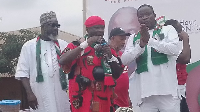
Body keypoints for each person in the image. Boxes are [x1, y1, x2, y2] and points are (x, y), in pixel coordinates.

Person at [121, 4, 182, 112]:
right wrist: (140, 45)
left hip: (167, 92)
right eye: (141, 16)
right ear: (138, 19)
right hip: (145, 94)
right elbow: (124, 60)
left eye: (147, 14)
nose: (144, 17)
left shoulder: (167, 30)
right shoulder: (134, 37)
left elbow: (175, 49)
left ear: (154, 15)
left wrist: (151, 41)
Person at [59, 16, 123, 112]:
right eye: (96, 28)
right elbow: (62, 60)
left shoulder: (107, 48)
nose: (100, 31)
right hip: (82, 98)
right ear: (87, 29)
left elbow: (117, 74)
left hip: (103, 99)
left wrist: (110, 56)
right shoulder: (76, 45)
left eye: (102, 28)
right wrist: (86, 44)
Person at [15, 11, 70, 112]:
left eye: (57, 26)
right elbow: (23, 73)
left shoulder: (64, 45)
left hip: (61, 93)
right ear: (42, 27)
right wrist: (29, 94)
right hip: (39, 94)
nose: (55, 29)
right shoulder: (29, 46)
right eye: (52, 25)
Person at [164, 19, 191, 112]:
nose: (182, 32)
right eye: (180, 30)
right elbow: (186, 58)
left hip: (180, 91)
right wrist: (186, 39)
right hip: (171, 93)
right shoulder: (165, 45)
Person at [108, 27, 131, 110]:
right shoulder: (106, 54)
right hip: (111, 102)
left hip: (124, 102)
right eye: (121, 39)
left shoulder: (123, 55)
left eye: (124, 39)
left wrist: (128, 100)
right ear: (112, 38)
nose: (123, 42)